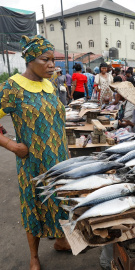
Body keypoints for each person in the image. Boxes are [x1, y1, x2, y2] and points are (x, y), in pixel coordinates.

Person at [0, 35, 70, 270]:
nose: (52, 64)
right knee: (35, 205)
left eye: (53, 59)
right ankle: (34, 257)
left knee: (60, 201)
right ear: (30, 59)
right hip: (33, 162)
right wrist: (11, 145)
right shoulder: (12, 87)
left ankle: (61, 241)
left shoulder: (49, 84)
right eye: (45, 59)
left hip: (59, 158)